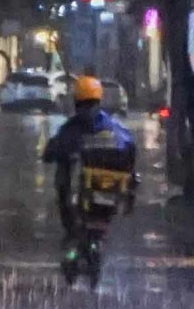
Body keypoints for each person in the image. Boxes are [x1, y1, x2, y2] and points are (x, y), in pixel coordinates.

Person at [44, 77, 139, 225]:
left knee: (62, 177)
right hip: (92, 204)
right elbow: (130, 148)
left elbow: (52, 150)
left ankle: (71, 226)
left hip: (92, 206)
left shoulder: (71, 128)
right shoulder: (114, 126)